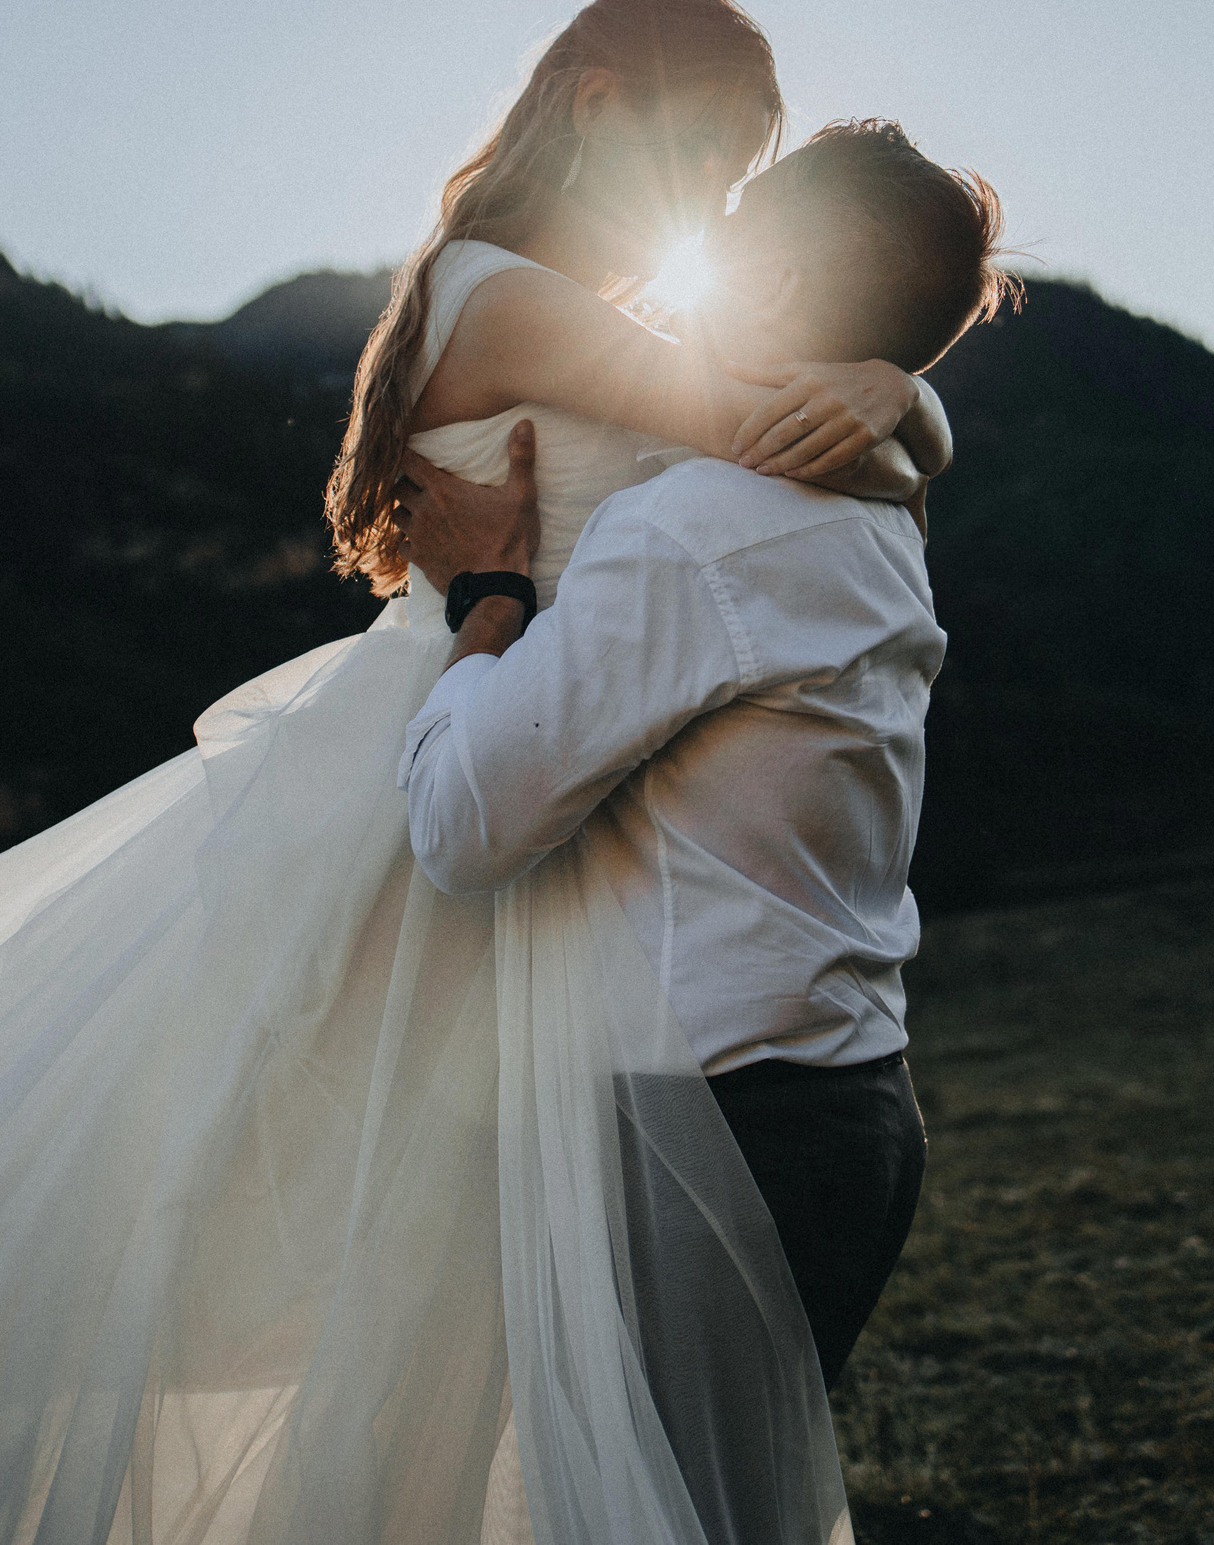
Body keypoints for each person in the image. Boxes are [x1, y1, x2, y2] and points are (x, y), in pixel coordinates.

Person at [0, 0, 963, 1545]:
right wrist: (904, 393)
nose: (711, 194)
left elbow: (778, 446)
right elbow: (779, 429)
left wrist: (895, 395)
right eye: (706, 144)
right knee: (270, 1259)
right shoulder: (506, 301)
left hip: (509, 775)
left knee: (437, 1323)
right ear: (597, 104)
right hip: (442, 788)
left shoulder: (554, 309)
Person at [395, 117, 1013, 1535]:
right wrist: (905, 401)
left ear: (786, 284)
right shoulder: (874, 514)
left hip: (711, 1138)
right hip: (857, 1110)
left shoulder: (698, 532)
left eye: (741, 234)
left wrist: (484, 600)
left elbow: (458, 824)